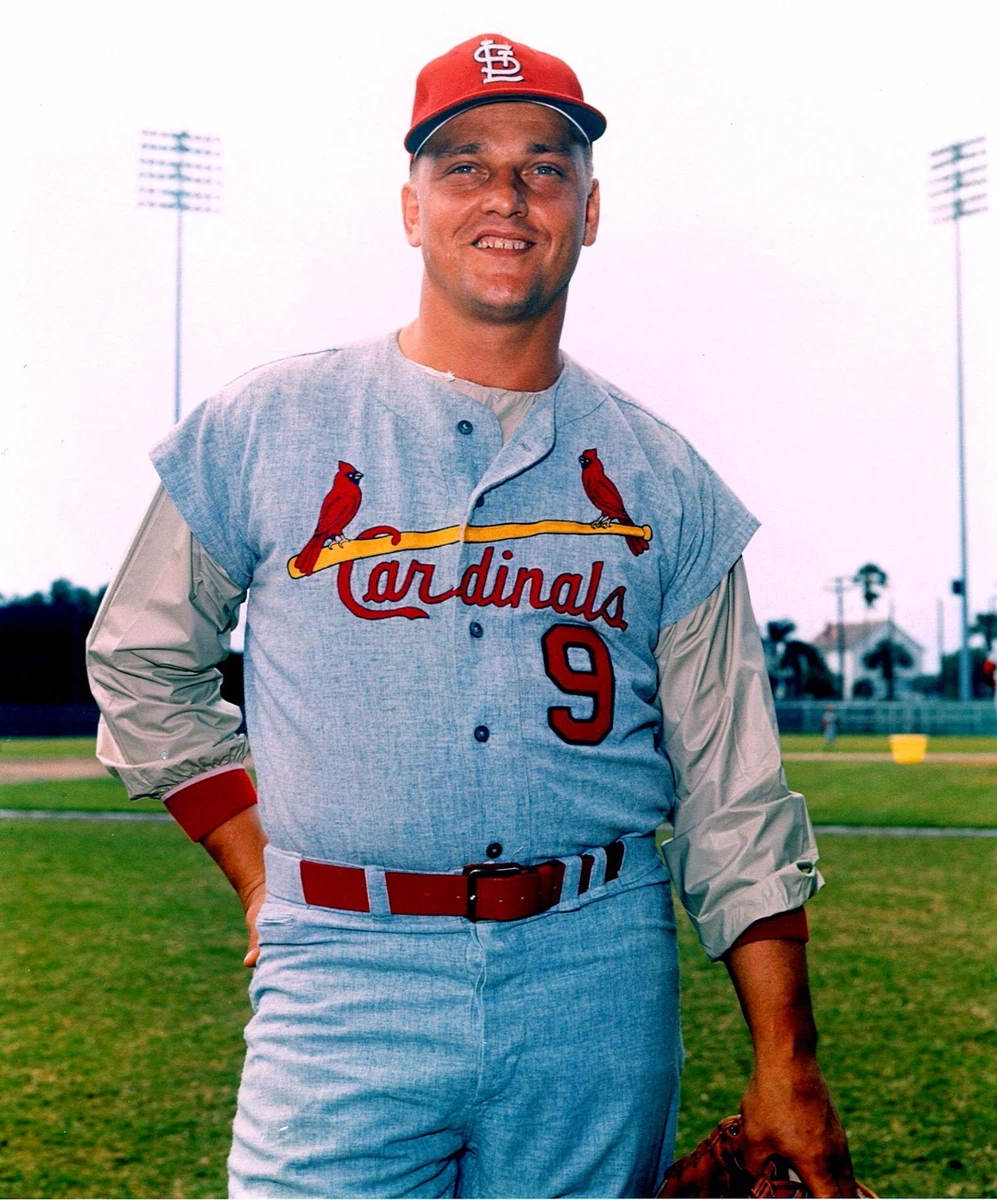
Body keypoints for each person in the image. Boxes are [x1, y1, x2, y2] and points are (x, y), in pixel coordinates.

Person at [87, 34, 856, 1199]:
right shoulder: (265, 425)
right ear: (411, 208)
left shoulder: (667, 479)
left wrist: (785, 1061)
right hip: (342, 969)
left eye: (545, 167)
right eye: (465, 164)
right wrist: (256, 872)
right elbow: (141, 665)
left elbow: (733, 795)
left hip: (594, 976)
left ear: (589, 212)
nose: (506, 195)